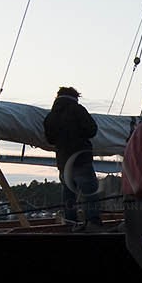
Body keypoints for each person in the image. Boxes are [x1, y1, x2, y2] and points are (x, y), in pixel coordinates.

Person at [43, 85, 101, 230]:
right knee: (90, 193)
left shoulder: (51, 116)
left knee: (69, 196)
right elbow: (92, 130)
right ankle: (93, 223)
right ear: (75, 97)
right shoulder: (78, 110)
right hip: (81, 159)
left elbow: (50, 139)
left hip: (63, 162)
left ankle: (70, 224)